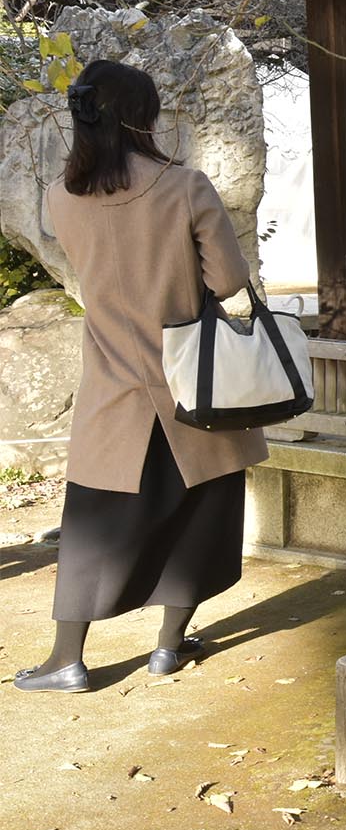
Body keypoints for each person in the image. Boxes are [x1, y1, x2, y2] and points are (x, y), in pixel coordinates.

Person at [12, 60, 267, 693]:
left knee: (93, 523)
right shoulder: (184, 186)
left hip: (113, 388)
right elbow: (230, 281)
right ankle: (166, 647)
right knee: (201, 507)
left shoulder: (59, 197)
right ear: (141, 117)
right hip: (194, 384)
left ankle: (66, 659)